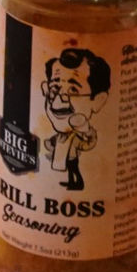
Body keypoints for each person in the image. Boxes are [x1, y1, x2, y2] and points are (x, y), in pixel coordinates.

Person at [40, 47, 108, 192]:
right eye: (54, 88)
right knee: (70, 170)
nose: (59, 100)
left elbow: (89, 143)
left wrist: (87, 131)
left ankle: (78, 183)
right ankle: (72, 182)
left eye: (73, 90)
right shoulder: (59, 136)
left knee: (74, 169)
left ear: (98, 100)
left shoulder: (79, 135)